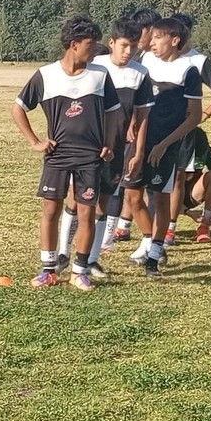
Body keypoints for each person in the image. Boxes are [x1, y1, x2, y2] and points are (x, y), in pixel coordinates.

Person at [11, 16, 122, 292]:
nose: (95, 50)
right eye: (90, 44)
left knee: (86, 213)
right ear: (74, 45)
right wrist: (35, 141)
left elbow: (114, 113)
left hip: (89, 158)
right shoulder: (46, 75)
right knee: (51, 210)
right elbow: (18, 108)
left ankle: (79, 271)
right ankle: (48, 270)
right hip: (58, 156)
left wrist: (108, 142)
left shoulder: (100, 75)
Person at [126, 17, 205, 276]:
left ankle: (154, 255)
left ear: (174, 40)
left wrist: (166, 144)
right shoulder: (145, 62)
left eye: (159, 37)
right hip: (139, 141)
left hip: (166, 145)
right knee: (133, 196)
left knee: (159, 198)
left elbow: (193, 116)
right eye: (153, 37)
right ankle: (150, 240)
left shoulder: (188, 70)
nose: (152, 42)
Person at [77, 18, 153, 278]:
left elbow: (142, 118)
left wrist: (139, 153)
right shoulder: (94, 66)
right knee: (78, 200)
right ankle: (65, 253)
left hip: (119, 148)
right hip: (89, 146)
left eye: (133, 46)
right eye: (123, 45)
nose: (128, 51)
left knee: (104, 202)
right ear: (111, 43)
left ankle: (92, 259)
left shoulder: (140, 74)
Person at [165, 12, 211, 244]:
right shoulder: (153, 59)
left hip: (186, 132)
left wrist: (204, 114)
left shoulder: (198, 61)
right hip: (159, 130)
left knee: (190, 175)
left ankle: (201, 226)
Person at [179, 128, 211, 242]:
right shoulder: (168, 145)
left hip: (189, 193)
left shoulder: (201, 144)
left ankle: (204, 225)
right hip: (164, 197)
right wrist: (187, 212)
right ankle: (167, 229)